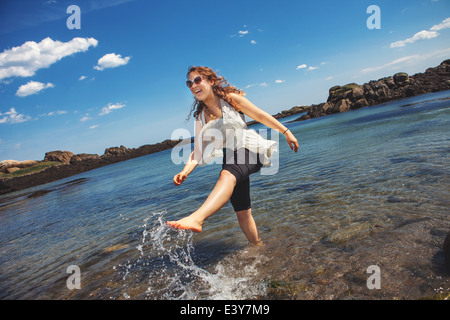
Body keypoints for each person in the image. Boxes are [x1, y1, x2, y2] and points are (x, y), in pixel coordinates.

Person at [166, 66, 299, 245]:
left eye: (198, 80)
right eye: (189, 83)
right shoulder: (200, 116)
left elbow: (260, 115)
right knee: (242, 212)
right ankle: (258, 247)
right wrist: (185, 171)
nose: (193, 85)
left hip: (250, 148)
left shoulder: (230, 99)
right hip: (231, 157)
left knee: (227, 175)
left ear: (210, 81)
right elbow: (198, 150)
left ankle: (197, 218)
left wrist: (286, 131)